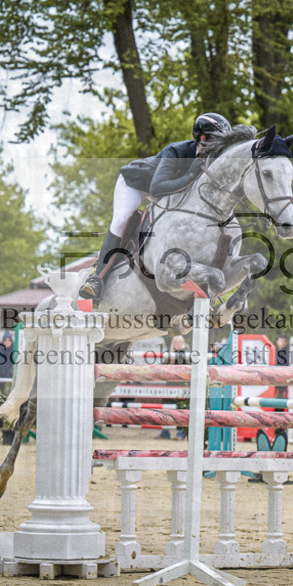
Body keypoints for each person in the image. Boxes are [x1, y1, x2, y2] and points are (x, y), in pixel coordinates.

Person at [79, 112, 232, 300]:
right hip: (136, 184)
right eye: (217, 141)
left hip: (167, 192)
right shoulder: (176, 152)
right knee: (121, 221)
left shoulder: (211, 161)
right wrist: (189, 176)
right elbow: (157, 188)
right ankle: (96, 279)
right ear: (202, 138)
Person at [157, 335, 189, 440]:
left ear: (183, 343)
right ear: (173, 343)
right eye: (176, 342)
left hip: (183, 387)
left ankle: (181, 432)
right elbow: (162, 369)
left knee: (181, 409)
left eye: (180, 341)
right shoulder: (168, 354)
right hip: (170, 386)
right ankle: (165, 431)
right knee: (166, 408)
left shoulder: (188, 354)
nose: (178, 343)